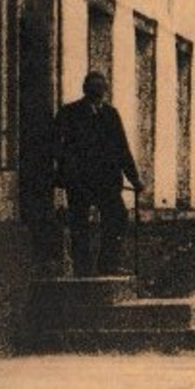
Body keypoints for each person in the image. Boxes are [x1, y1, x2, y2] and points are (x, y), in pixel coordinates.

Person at [55, 72, 143, 276]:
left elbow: (122, 149)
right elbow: (56, 147)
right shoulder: (69, 113)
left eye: (101, 88)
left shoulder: (111, 114)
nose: (99, 93)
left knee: (118, 217)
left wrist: (134, 178)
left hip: (107, 181)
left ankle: (108, 264)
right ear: (86, 90)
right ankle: (82, 268)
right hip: (79, 180)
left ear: (105, 91)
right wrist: (64, 174)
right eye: (95, 88)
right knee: (80, 223)